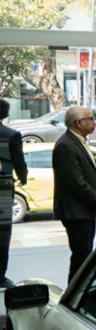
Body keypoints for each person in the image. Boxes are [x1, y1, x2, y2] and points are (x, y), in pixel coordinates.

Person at [53, 107, 96, 283]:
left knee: (84, 256)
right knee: (81, 257)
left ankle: (80, 292)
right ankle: (74, 295)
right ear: (79, 123)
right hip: (75, 212)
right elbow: (76, 183)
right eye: (91, 119)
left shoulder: (79, 141)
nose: (95, 122)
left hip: (84, 210)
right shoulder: (66, 145)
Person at [0, 98, 26, 286]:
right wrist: (23, 178)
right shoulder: (11, 135)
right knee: (2, 234)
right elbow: (19, 163)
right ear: (5, 114)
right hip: (3, 190)